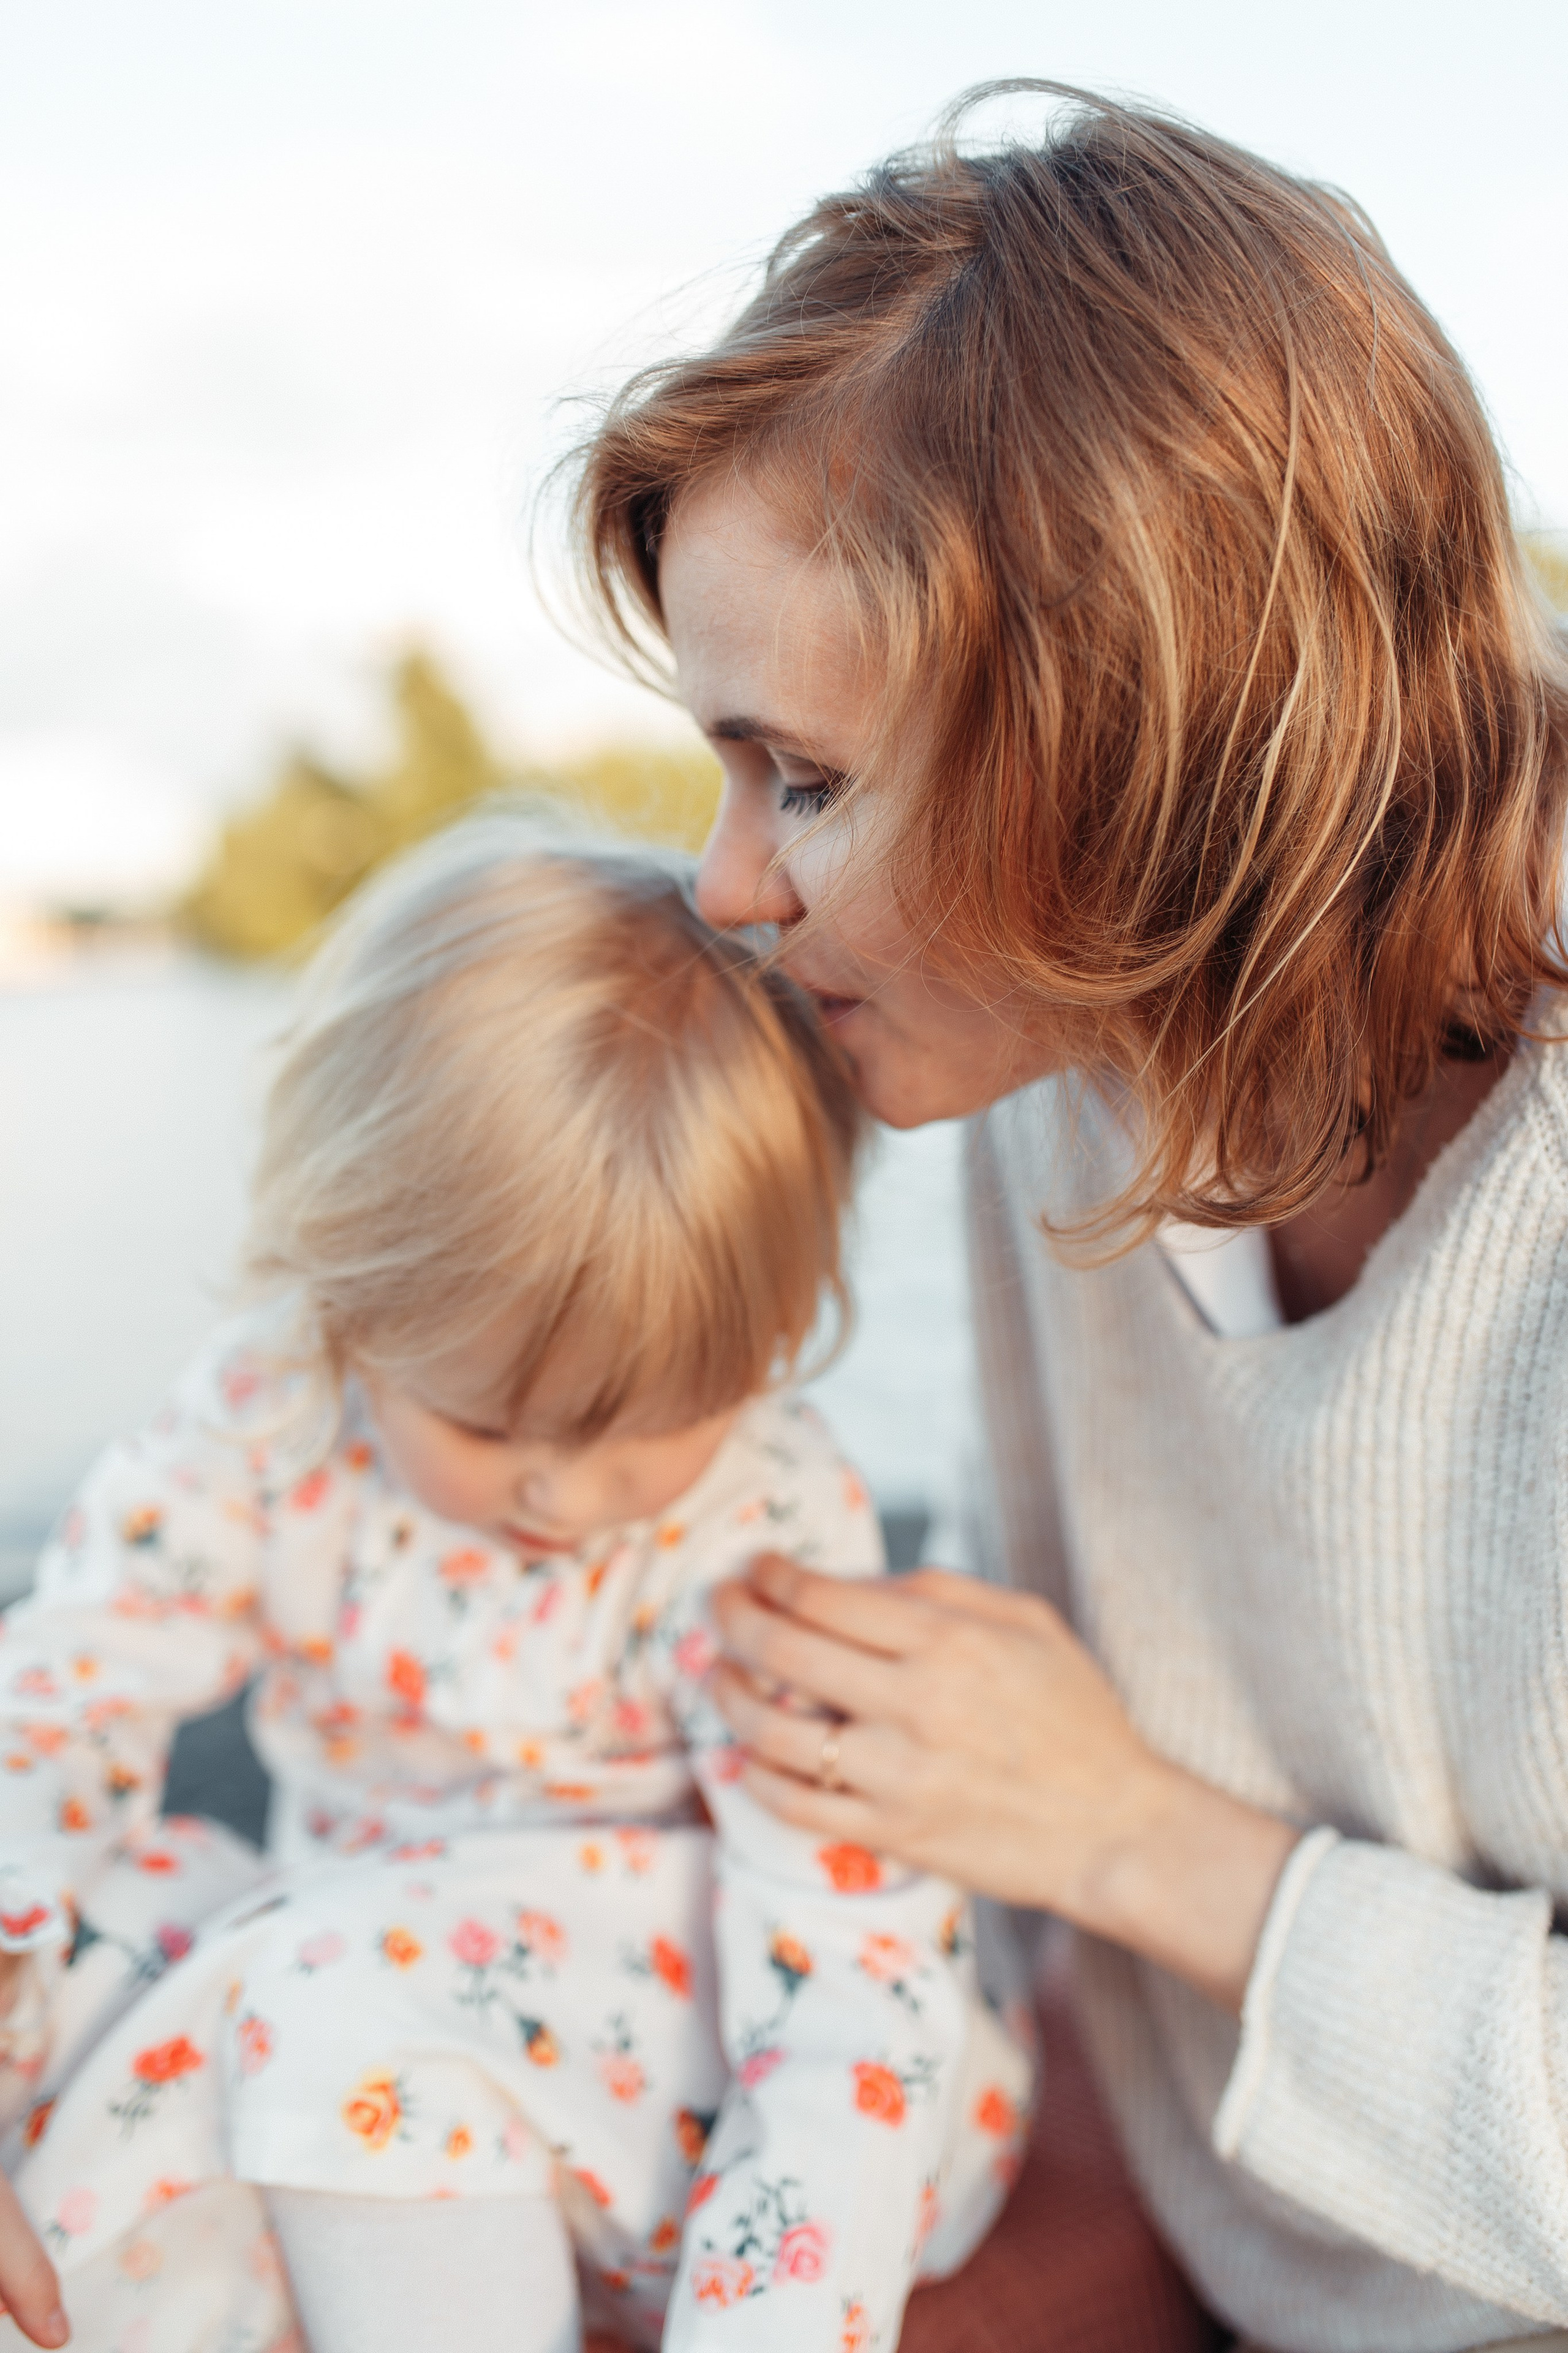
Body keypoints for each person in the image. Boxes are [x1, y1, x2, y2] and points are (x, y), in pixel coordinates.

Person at [569, 80, 1568, 2353]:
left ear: (1130, 736)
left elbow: (1103, 1829)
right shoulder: (1068, 1046)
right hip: (1211, 2194)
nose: (727, 888)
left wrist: (1118, 1831)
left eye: (802, 778)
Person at [0, 814, 1031, 2353]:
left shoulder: (762, 1525)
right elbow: (66, 1688)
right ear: (350, 1299)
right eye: (485, 1423)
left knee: (334, 1983)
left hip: (724, 2132)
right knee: (122, 1945)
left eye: (649, 1423)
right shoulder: (279, 1411)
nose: (561, 1491)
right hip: (349, 2066)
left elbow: (842, 1994)